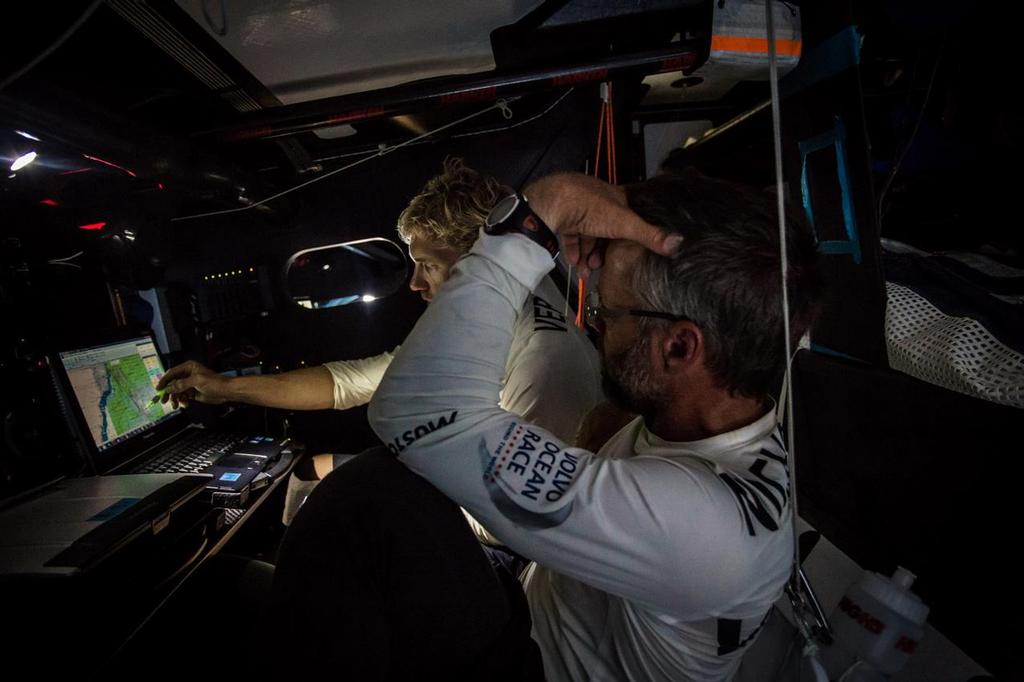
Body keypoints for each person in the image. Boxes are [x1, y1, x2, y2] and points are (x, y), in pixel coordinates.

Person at [359, 169, 823, 681]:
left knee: (367, 496)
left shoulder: (698, 527)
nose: (595, 328)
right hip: (531, 615)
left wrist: (534, 217)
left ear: (679, 346)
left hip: (530, 663)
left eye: (606, 314)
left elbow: (413, 414)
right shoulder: (709, 421)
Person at [156, 158, 603, 520]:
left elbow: (520, 517)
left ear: (475, 260)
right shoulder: (509, 305)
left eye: (428, 265)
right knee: (315, 470)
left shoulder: (537, 361)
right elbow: (350, 382)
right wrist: (227, 387)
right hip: (486, 494)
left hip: (507, 543)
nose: (414, 283)